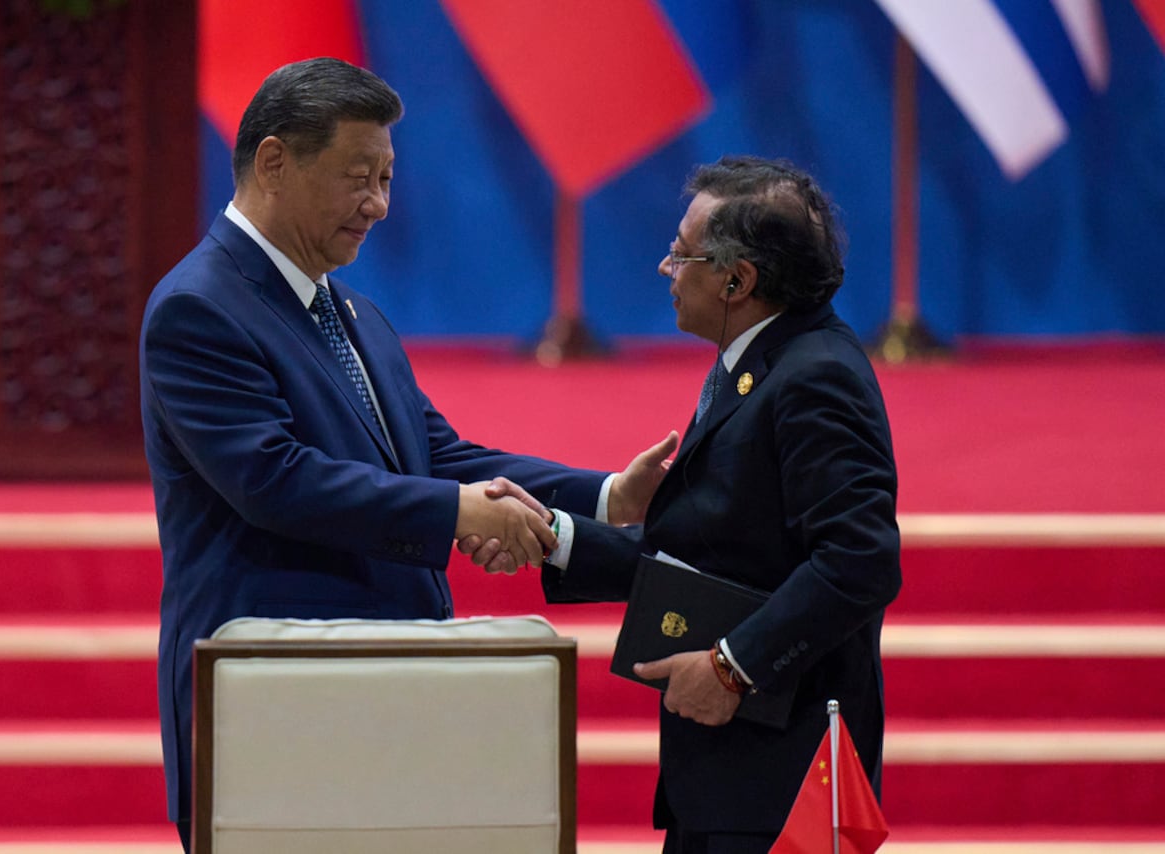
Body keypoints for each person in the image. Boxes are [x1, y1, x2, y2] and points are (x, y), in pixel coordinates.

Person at [138, 57, 675, 851]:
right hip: (274, 697)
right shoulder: (199, 307)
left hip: (390, 692)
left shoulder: (352, 310)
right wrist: (453, 514)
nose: (379, 205)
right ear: (275, 161)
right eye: (360, 178)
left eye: (387, 179)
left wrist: (602, 499)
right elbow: (273, 480)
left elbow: (432, 454)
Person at [485, 155, 901, 853]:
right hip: (731, 773)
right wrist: (556, 534)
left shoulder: (815, 377)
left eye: (682, 254)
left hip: (782, 777)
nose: (664, 267)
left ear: (739, 280)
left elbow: (859, 562)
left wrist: (731, 668)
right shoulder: (762, 360)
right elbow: (715, 551)